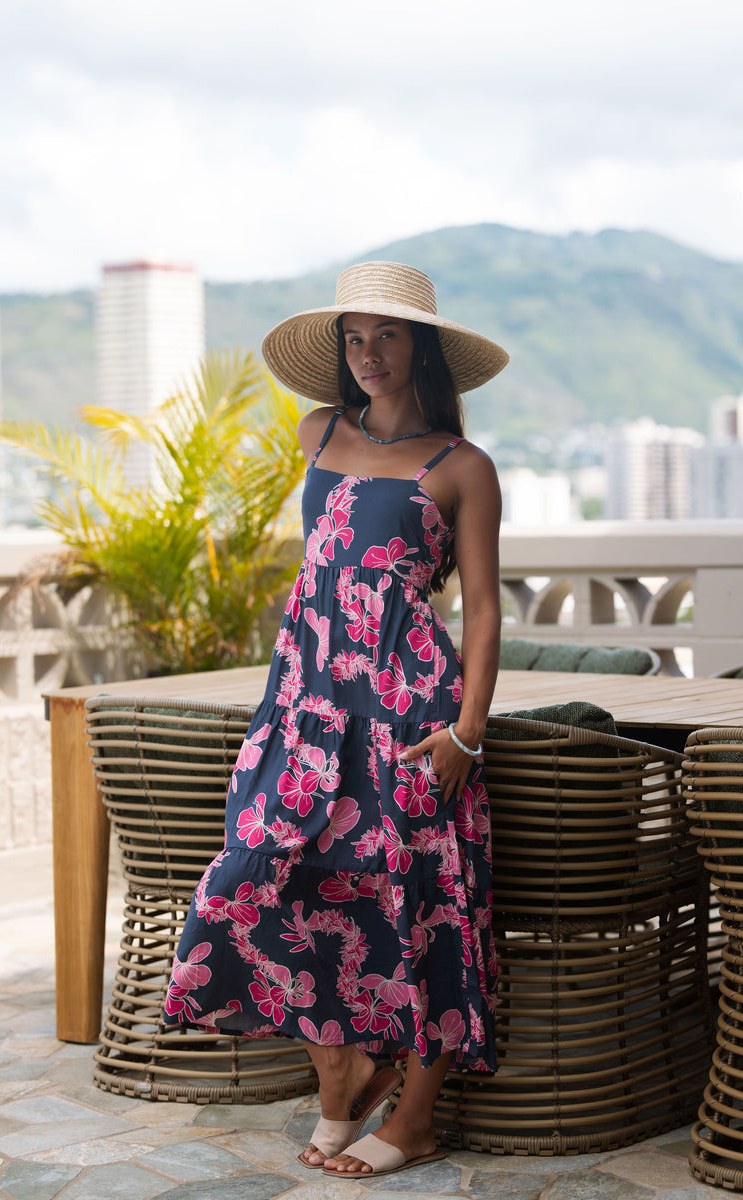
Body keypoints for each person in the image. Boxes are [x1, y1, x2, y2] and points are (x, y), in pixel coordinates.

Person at [163, 260, 508, 1179]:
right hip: (304, 704)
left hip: (407, 712)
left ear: (422, 347)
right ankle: (345, 1073)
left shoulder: (463, 467)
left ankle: (417, 1117)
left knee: (422, 900)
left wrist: (467, 733)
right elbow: (323, 568)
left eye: (386, 336)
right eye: (354, 338)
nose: (368, 355)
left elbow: (480, 608)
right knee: (257, 877)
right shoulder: (317, 432)